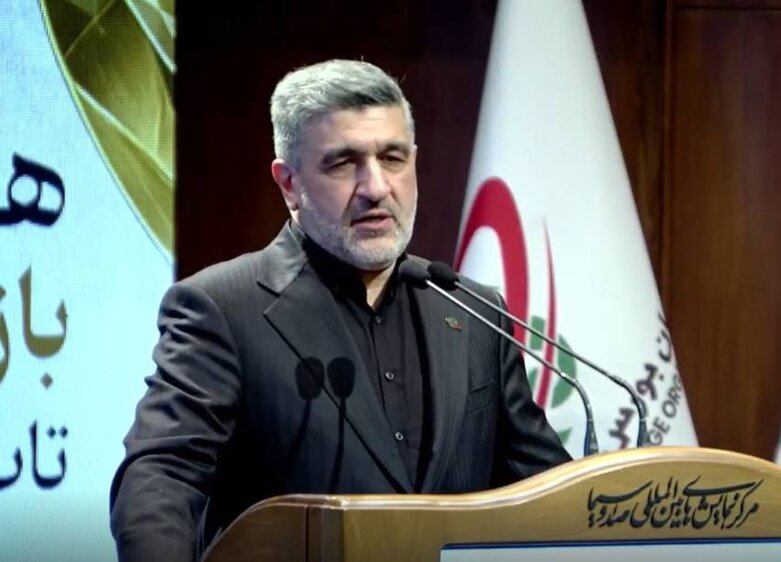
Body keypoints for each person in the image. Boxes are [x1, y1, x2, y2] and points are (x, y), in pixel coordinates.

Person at [109, 59, 570, 561]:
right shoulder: (222, 308)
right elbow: (160, 480)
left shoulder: (474, 312)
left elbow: (550, 492)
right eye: (343, 163)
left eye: (392, 158)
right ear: (289, 183)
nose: (376, 187)